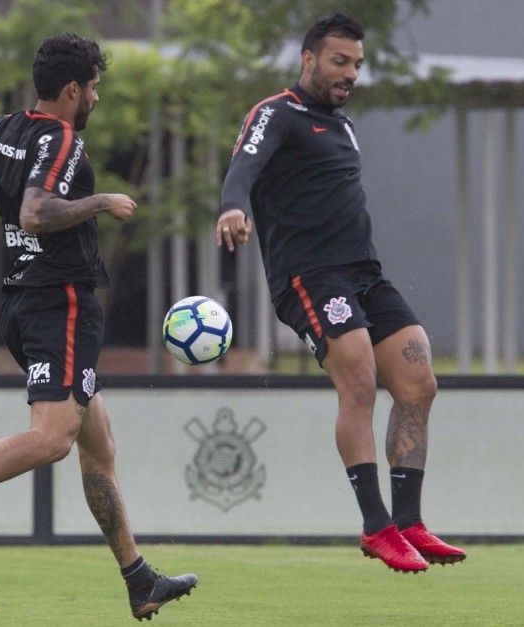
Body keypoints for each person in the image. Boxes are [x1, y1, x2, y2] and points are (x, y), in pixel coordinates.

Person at [0, 33, 197, 620]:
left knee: (98, 447)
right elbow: (35, 214)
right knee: (54, 437)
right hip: (60, 302)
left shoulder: (7, 127)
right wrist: (101, 200)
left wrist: (8, 185)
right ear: (72, 89)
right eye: (95, 87)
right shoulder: (61, 139)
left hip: (20, 303)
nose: (98, 98)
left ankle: (139, 580)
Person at [215, 12, 465, 573]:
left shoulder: (344, 124)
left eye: (356, 63)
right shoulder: (276, 113)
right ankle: (376, 528)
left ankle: (409, 522)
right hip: (310, 276)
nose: (350, 72)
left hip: (365, 275)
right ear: (308, 59)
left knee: (418, 382)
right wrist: (233, 205)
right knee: (359, 382)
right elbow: (244, 166)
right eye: (339, 61)